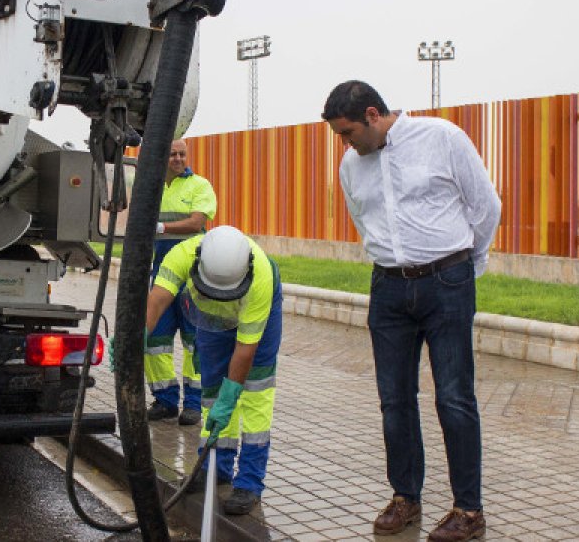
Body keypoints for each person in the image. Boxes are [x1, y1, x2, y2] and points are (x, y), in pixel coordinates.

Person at [321, 80, 501, 542]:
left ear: (373, 115)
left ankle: (468, 510)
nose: (345, 143)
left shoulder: (442, 138)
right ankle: (406, 497)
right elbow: (364, 219)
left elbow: (486, 206)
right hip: (388, 290)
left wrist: (466, 267)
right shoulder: (351, 164)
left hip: (447, 282)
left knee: (454, 399)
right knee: (394, 401)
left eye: (347, 132)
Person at [146, 225, 282, 516]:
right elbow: (156, 300)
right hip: (211, 323)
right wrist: (133, 337)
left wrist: (232, 393)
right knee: (211, 393)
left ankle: (249, 483)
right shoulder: (182, 254)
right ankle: (214, 469)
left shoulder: (261, 279)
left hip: (256, 323)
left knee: (255, 393)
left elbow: (246, 349)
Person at [144, 139, 217, 425]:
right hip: (161, 275)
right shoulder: (152, 187)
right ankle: (165, 400)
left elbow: (196, 222)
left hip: (191, 277)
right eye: (172, 153)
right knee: (154, 340)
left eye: (182, 154)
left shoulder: (200, 185)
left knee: (194, 342)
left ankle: (194, 405)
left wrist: (161, 227)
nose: (177, 158)